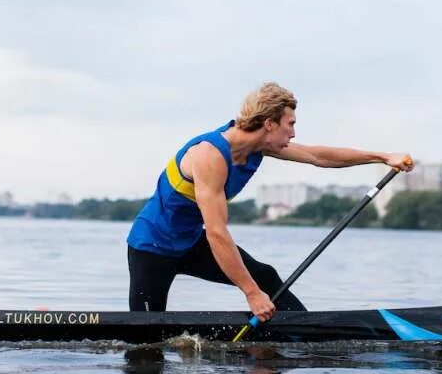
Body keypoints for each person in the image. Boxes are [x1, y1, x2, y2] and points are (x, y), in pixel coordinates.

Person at [126, 82, 414, 322]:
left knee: (265, 276)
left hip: (189, 243)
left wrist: (382, 156)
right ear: (268, 124)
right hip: (152, 247)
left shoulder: (259, 147)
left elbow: (319, 156)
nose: (293, 133)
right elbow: (216, 232)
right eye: (290, 125)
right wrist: (251, 293)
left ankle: (305, 335)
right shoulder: (209, 156)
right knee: (147, 335)